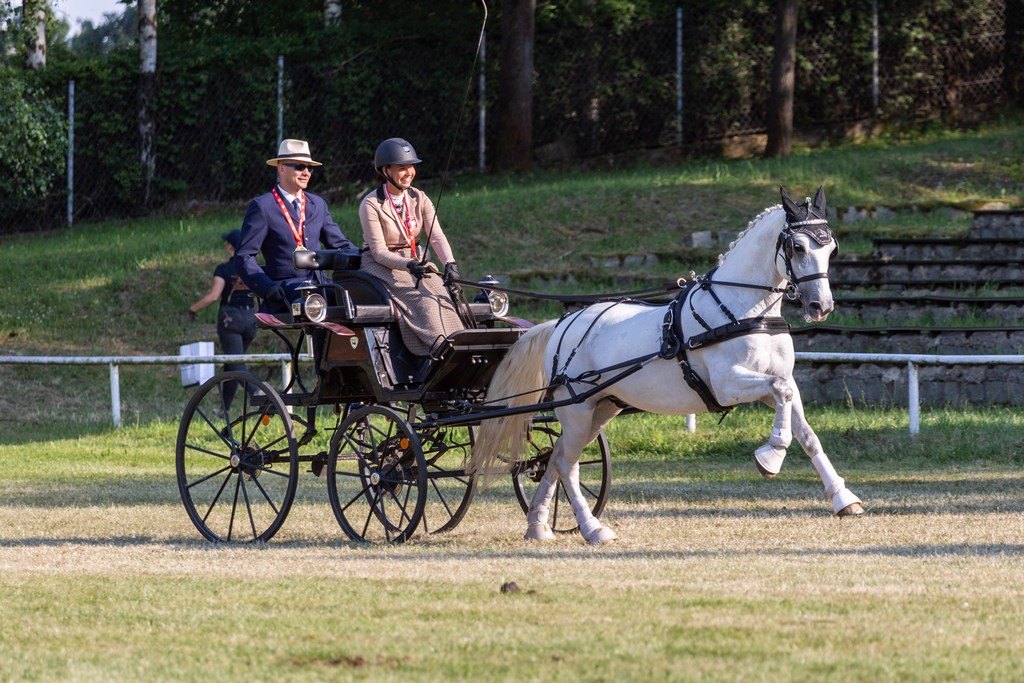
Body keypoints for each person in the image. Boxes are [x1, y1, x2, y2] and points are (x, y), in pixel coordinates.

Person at [358, 137, 466, 357]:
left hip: (415, 258)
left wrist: (450, 263)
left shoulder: (420, 197)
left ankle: (460, 349)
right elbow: (379, 251)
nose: (409, 172)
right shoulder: (370, 204)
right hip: (381, 264)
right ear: (385, 170)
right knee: (422, 302)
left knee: (443, 296)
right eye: (401, 168)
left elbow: (435, 235)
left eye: (411, 167)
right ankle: (439, 351)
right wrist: (408, 264)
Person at [234, 139, 357, 312]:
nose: (306, 172)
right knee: (317, 300)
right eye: (300, 166)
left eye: (310, 167)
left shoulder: (318, 204)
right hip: (286, 288)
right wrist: (267, 288)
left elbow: (340, 245)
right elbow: (244, 256)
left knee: (360, 294)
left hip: (319, 284)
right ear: (282, 168)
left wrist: (367, 259)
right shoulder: (263, 206)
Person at [186, 229, 257, 410]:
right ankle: (223, 410)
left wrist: (193, 308)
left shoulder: (223, 270)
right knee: (231, 365)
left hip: (230, 321)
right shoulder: (253, 268)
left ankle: (258, 391)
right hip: (251, 320)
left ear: (229, 247)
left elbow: (213, 296)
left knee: (235, 364)